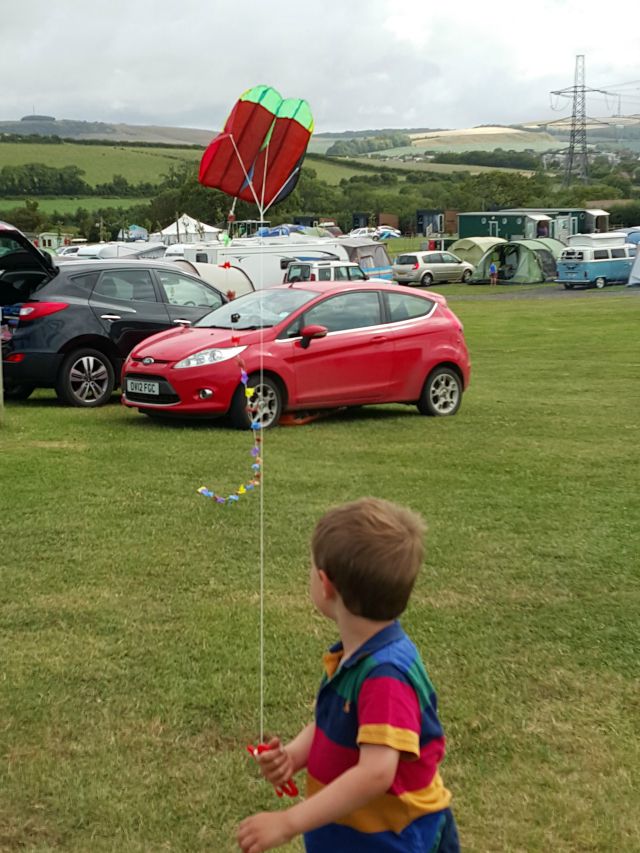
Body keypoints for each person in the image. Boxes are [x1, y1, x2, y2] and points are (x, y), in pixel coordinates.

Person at [238, 497, 459, 853]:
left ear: (326, 584)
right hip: (354, 838)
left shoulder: (387, 676)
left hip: (396, 843)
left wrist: (289, 821)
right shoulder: (354, 655)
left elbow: (376, 773)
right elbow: (339, 723)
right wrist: (294, 756)